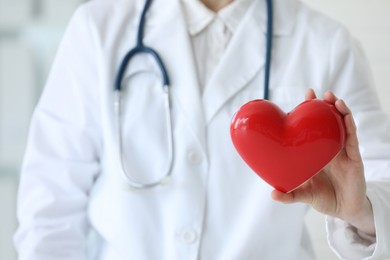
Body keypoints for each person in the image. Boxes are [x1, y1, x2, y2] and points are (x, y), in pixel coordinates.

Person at [14, 0, 390, 259]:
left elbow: (382, 177)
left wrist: (359, 210)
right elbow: (50, 207)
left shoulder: (325, 44)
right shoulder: (97, 28)